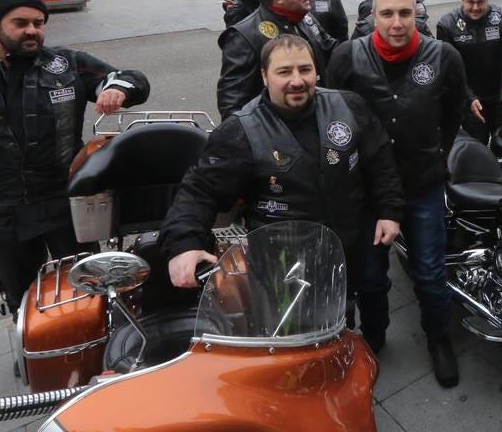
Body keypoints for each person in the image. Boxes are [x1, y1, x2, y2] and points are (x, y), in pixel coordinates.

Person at [0, 0, 150, 311]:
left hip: (67, 206)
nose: (32, 30)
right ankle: (36, 355)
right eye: (20, 22)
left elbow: (130, 79)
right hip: (4, 213)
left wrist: (118, 88)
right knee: (23, 299)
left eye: (39, 23)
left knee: (90, 292)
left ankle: (95, 352)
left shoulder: (68, 65)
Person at [159, 34, 404, 341]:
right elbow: (200, 190)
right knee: (300, 329)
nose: (297, 81)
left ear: (317, 70)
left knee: (367, 295)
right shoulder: (241, 130)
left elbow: (380, 160)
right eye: (284, 72)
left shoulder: (349, 105)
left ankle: (370, 345)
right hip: (286, 257)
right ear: (264, 76)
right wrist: (184, 244)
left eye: (305, 69)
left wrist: (390, 210)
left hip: (355, 239)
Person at [325, 0, 469, 386]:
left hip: (422, 186)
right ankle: (374, 338)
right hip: (367, 191)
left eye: (404, 13)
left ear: (417, 13)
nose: (396, 22)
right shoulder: (347, 56)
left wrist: (434, 155)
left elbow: (454, 112)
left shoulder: (444, 56)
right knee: (370, 276)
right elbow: (331, 114)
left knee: (429, 271)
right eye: (387, 14)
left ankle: (438, 339)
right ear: (373, 16)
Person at [217, 0, 334, 118]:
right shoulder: (244, 35)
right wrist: (252, 136)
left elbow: (332, 49)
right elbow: (232, 100)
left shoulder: (304, 17)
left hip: (314, 117)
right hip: (274, 129)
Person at [437, 0, 502, 145]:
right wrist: (469, 98)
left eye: (481, 2)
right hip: (468, 99)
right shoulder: (447, 24)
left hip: (499, 97)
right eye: (470, 2)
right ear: (462, 0)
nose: (475, 7)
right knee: (475, 150)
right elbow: (450, 70)